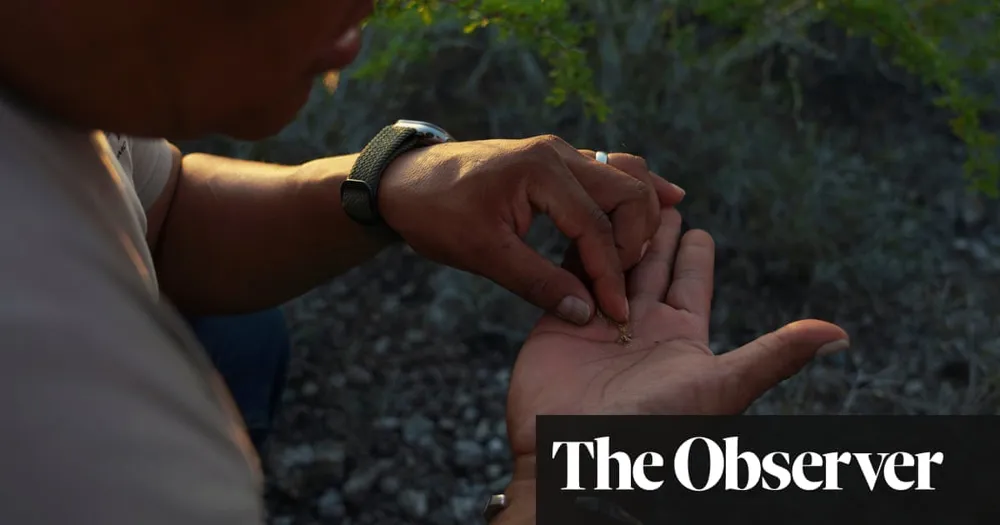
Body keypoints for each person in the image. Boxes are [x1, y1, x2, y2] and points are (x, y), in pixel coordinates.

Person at [0, 2, 849, 525]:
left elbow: (161, 209)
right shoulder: (67, 408)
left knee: (244, 336)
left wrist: (387, 182)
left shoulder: (41, 79)